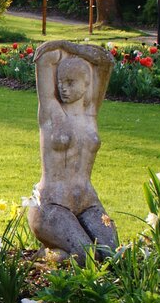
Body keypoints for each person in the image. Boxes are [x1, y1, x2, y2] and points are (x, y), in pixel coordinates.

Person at [27, 40, 118, 260]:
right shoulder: (51, 112)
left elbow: (106, 61)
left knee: (112, 255)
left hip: (88, 202)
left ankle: (60, 255)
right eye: (60, 82)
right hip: (52, 204)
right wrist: (60, 46)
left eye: (70, 82)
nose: (62, 88)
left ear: (87, 84)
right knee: (86, 257)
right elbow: (44, 57)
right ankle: (48, 255)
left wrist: (72, 48)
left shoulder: (90, 113)